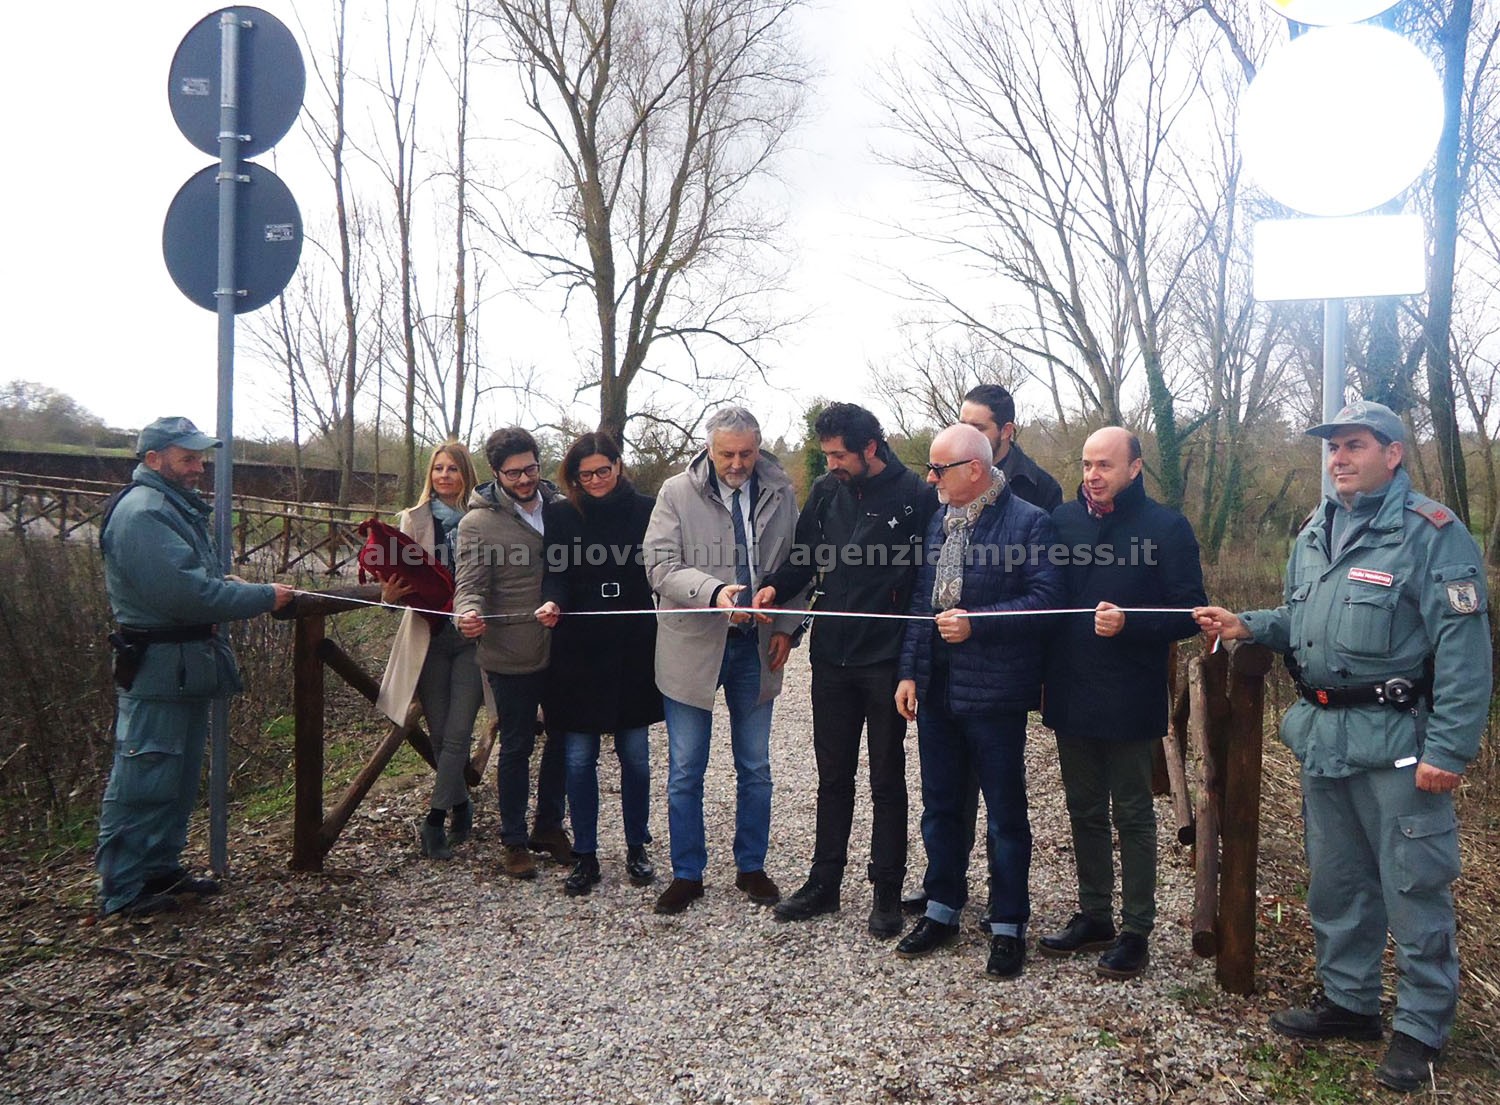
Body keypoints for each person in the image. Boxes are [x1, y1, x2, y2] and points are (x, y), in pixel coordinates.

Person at [1194, 400, 1491, 1095]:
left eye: (1355, 445)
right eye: (1333, 449)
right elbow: (1304, 619)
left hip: (1398, 744)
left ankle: (1420, 1026)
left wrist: (1449, 749)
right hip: (1326, 739)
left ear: (1394, 454)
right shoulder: (1314, 533)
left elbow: (1464, 653)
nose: (1340, 459)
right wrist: (1251, 623)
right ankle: (1350, 1001)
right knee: (1337, 880)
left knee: (1414, 884)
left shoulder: (1432, 535)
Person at [96, 416, 293, 918]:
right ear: (153, 459)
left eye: (199, 457)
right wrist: (263, 595)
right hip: (160, 664)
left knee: (176, 775)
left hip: (183, 664)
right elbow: (187, 594)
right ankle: (123, 888)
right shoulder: (143, 513)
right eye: (188, 458)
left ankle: (159, 868)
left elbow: (191, 578)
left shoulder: (169, 507)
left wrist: (226, 583)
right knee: (145, 772)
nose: (198, 467)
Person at [753, 402, 937, 936]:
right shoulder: (827, 491)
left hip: (886, 659)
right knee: (832, 777)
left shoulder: (918, 497)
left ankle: (886, 891)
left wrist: (914, 657)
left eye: (838, 454)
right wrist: (775, 588)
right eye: (826, 453)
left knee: (886, 776)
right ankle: (824, 883)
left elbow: (929, 579)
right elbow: (805, 558)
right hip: (830, 657)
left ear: (870, 448)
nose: (831, 462)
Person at [893, 423, 1064, 979]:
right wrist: (910, 674)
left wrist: (979, 625)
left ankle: (1009, 922)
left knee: (1005, 814)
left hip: (995, 691)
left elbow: (1045, 601)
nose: (930, 478)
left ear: (974, 469)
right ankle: (942, 908)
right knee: (941, 804)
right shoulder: (940, 520)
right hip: (939, 689)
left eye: (938, 469)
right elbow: (923, 602)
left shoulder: (1029, 522)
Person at [1039, 427, 1205, 979]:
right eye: (1087, 464)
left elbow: (1191, 612)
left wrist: (1132, 623)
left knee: (1132, 813)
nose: (1093, 475)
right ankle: (1095, 915)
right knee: (1083, 809)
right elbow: (1043, 598)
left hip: (1131, 692)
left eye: (1105, 465)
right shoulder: (1061, 521)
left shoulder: (1166, 527)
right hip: (1069, 687)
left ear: (1135, 468)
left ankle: (1137, 930)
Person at [643, 406, 802, 915]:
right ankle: (687, 872)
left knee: (754, 765)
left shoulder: (781, 492)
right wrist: (713, 593)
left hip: (756, 646)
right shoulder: (674, 492)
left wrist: (788, 629)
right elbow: (660, 566)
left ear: (760, 446)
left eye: (747, 453)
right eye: (726, 453)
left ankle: (751, 866)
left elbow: (799, 565)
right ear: (708, 449)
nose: (737, 463)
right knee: (687, 767)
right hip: (693, 641)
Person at [535, 431, 663, 896]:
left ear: (618, 465)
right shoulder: (561, 513)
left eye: (601, 471)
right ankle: (585, 854)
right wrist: (552, 603)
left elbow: (664, 567)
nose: (594, 480)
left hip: (633, 642)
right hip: (578, 645)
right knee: (578, 755)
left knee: (636, 756)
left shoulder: (649, 509)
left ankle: (636, 845)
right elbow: (556, 573)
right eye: (584, 474)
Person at [454, 427, 570, 880]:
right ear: (496, 473)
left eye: (531, 469)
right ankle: (514, 840)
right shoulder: (477, 523)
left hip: (563, 649)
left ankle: (549, 826)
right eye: (514, 472)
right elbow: (470, 585)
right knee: (517, 745)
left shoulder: (561, 508)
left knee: (564, 741)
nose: (525, 479)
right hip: (510, 651)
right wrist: (466, 614)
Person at [375, 442, 490, 861]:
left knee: (458, 731)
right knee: (441, 735)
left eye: (453, 469)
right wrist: (387, 594)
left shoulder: (485, 518)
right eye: (438, 468)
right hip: (429, 637)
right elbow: (393, 580)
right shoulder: (412, 519)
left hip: (473, 638)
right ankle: (461, 804)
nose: (444, 475)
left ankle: (435, 819)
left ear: (466, 474)